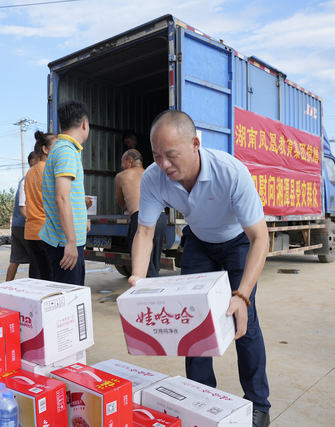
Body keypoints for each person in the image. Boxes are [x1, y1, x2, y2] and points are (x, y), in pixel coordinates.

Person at [128, 110, 271, 427]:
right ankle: (201, 397)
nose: (164, 165)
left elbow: (261, 238)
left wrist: (243, 295)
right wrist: (138, 278)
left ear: (195, 144)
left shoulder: (231, 173)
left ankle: (259, 404)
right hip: (199, 241)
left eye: (171, 155)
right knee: (192, 322)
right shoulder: (154, 178)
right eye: (156, 155)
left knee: (242, 322)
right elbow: (145, 231)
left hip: (237, 242)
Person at [39, 100, 91, 286]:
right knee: (68, 299)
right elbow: (62, 198)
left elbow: (71, 196)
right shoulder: (66, 151)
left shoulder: (64, 150)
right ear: (85, 124)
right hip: (64, 243)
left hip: (66, 240)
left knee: (73, 294)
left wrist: (82, 217)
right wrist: (70, 241)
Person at [115, 149, 167, 277]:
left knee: (143, 265)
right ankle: (156, 291)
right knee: (153, 263)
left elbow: (120, 202)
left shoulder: (122, 176)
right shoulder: (152, 173)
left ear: (130, 161)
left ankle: (154, 293)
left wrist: (128, 206)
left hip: (141, 217)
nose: (121, 165)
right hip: (161, 217)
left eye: (123, 162)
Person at [24, 131, 57, 281]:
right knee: (54, 280)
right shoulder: (50, 171)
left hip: (31, 232)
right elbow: (59, 200)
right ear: (45, 149)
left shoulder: (29, 173)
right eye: (56, 148)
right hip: (47, 233)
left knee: (43, 277)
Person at [6, 152, 39, 281]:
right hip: (26, 225)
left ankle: (6, 286)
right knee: (36, 260)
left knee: (15, 260)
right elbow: (24, 206)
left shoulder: (23, 179)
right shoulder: (31, 180)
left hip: (16, 225)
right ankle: (36, 286)